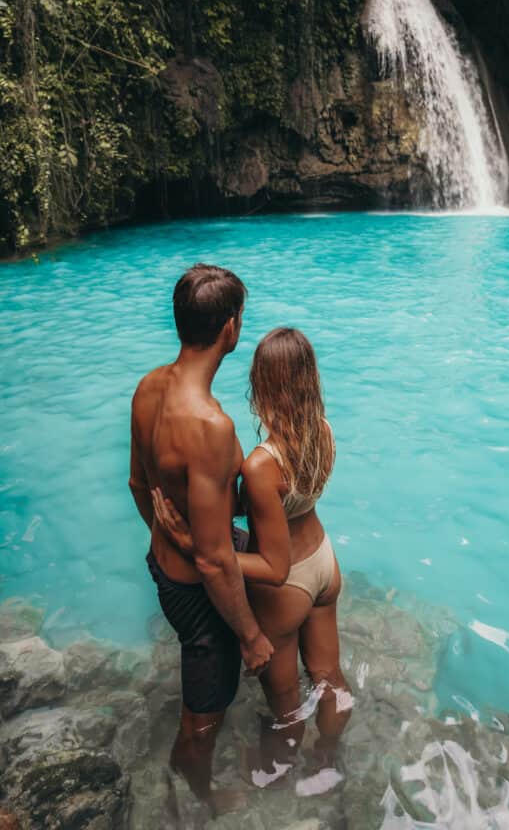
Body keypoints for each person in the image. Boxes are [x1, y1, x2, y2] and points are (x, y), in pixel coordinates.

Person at [152, 327, 352, 787]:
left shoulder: (263, 465)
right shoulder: (323, 432)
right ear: (310, 378)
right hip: (324, 562)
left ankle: (273, 773)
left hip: (287, 586)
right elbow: (291, 502)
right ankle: (328, 756)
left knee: (285, 705)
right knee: (328, 676)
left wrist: (198, 546)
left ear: (261, 384)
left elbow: (273, 566)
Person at [129, 264, 273, 814]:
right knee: (205, 709)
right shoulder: (210, 426)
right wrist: (252, 635)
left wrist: (167, 539)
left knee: (202, 687)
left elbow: (139, 484)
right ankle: (198, 788)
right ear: (230, 328)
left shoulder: (149, 387)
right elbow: (216, 561)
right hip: (198, 593)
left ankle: (190, 767)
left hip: (163, 568)